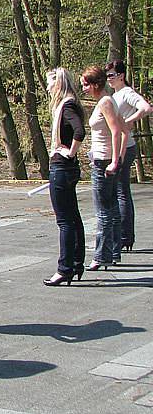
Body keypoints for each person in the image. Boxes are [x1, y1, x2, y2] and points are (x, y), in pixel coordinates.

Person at [43, 68, 86, 286]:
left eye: (50, 83)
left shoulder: (66, 105)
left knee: (65, 221)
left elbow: (79, 132)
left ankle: (65, 268)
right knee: (73, 217)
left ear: (58, 84)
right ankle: (77, 264)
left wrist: (69, 151)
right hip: (68, 168)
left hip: (62, 167)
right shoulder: (71, 103)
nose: (48, 88)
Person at [105, 60, 153, 253]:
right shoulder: (115, 94)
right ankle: (125, 236)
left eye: (112, 75)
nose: (109, 79)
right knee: (120, 190)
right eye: (107, 76)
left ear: (121, 76)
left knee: (121, 191)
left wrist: (128, 121)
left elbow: (147, 107)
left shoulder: (127, 93)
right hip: (118, 145)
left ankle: (125, 236)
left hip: (126, 146)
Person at [81, 66, 125, 271]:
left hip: (103, 162)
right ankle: (114, 252)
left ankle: (101, 255)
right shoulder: (107, 100)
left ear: (96, 84)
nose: (83, 88)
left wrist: (115, 161)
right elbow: (125, 128)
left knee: (104, 212)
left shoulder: (106, 102)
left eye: (86, 84)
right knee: (112, 209)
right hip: (103, 159)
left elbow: (118, 132)